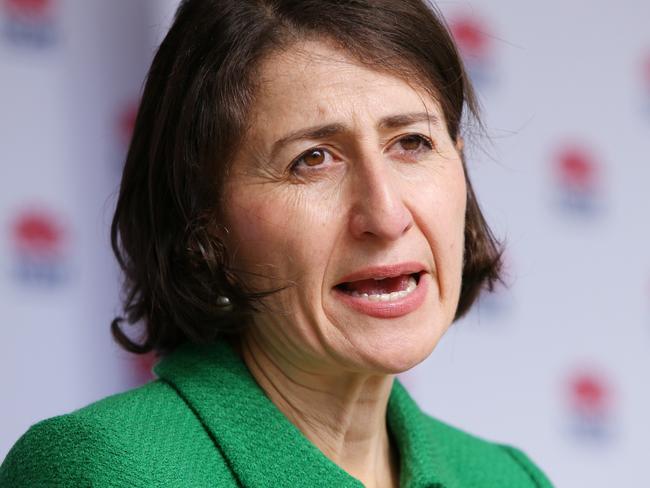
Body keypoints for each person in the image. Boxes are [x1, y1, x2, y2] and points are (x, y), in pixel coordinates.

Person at [0, 0, 554, 486]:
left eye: (411, 142)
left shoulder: (507, 477)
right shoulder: (105, 470)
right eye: (312, 159)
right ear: (205, 224)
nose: (385, 216)